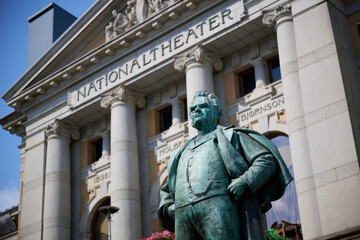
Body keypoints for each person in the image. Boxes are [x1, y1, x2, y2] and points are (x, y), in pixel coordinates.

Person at [158, 91, 293, 240]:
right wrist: (169, 208)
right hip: (183, 216)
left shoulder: (232, 136)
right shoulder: (179, 153)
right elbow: (167, 191)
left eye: (202, 106)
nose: (196, 111)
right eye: (192, 109)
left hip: (219, 207)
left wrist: (245, 181)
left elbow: (267, 160)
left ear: (216, 112)